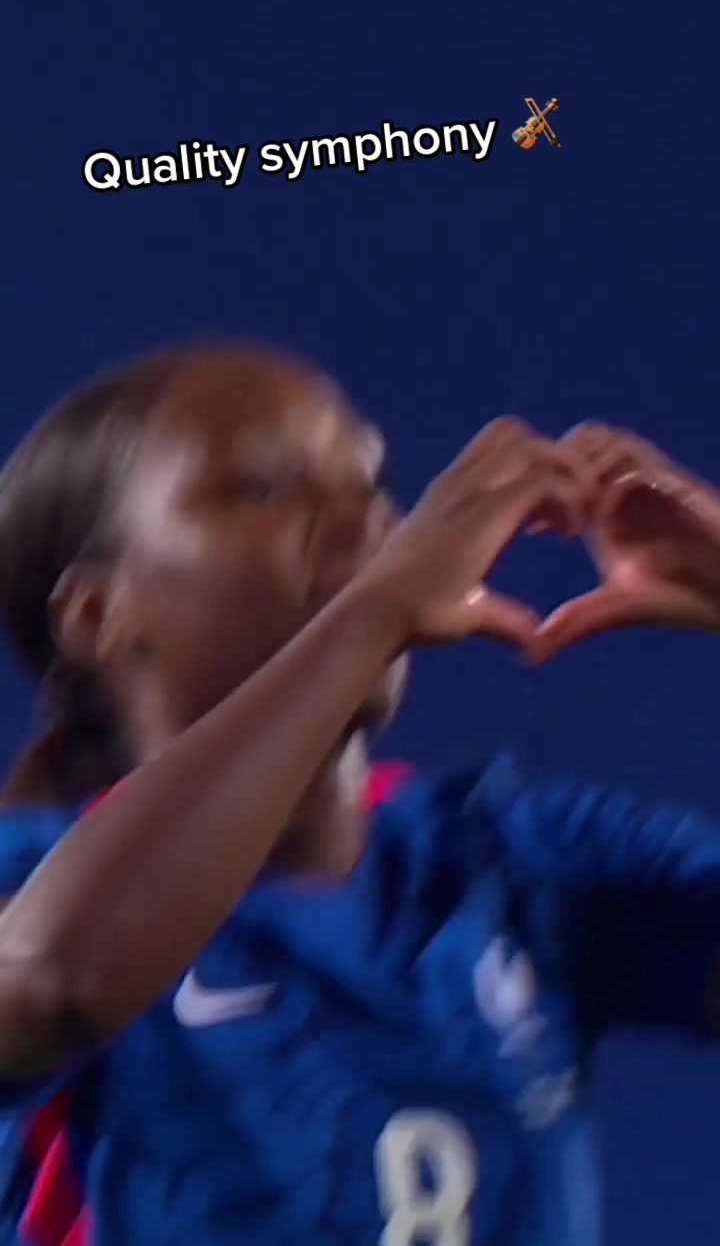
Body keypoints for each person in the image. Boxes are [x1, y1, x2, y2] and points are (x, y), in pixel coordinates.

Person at [0, 341, 719, 1246]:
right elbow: (50, 985)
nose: (368, 522)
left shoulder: (521, 860)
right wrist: (370, 609)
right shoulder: (34, 881)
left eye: (373, 485)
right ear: (98, 614)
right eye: (263, 487)